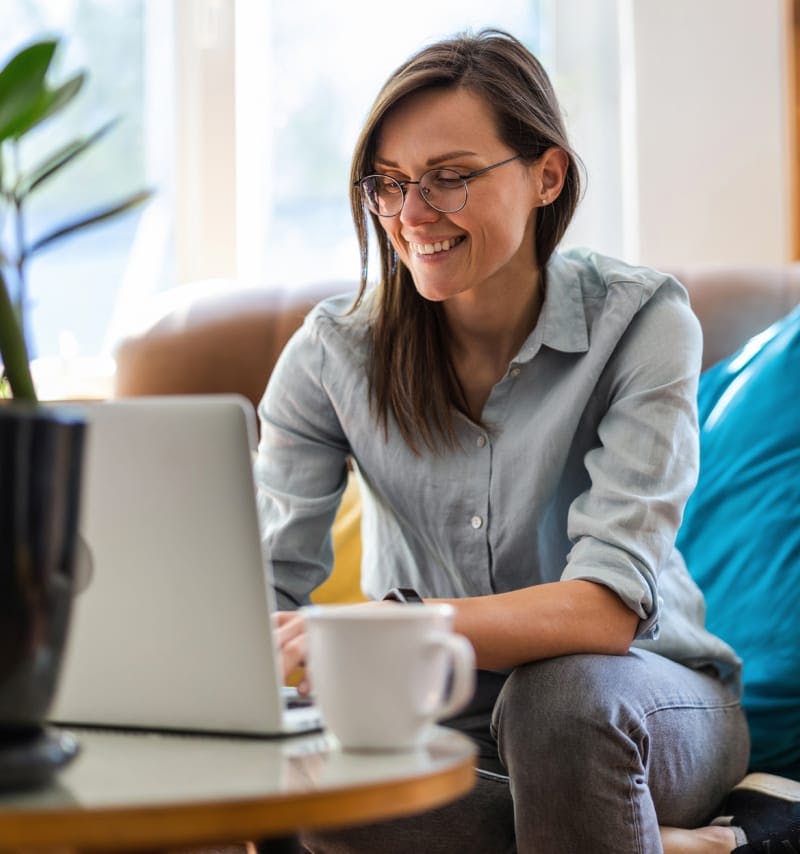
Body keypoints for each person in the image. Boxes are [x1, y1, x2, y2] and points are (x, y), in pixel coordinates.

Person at [254, 28, 782, 854]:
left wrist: (402, 626)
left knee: (558, 702)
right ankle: (638, 834)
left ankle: (626, 810)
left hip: (645, 699)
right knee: (311, 790)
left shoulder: (643, 323)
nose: (412, 215)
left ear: (547, 174)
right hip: (437, 715)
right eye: (388, 185)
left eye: (450, 178)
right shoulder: (331, 356)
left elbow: (605, 610)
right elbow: (264, 589)